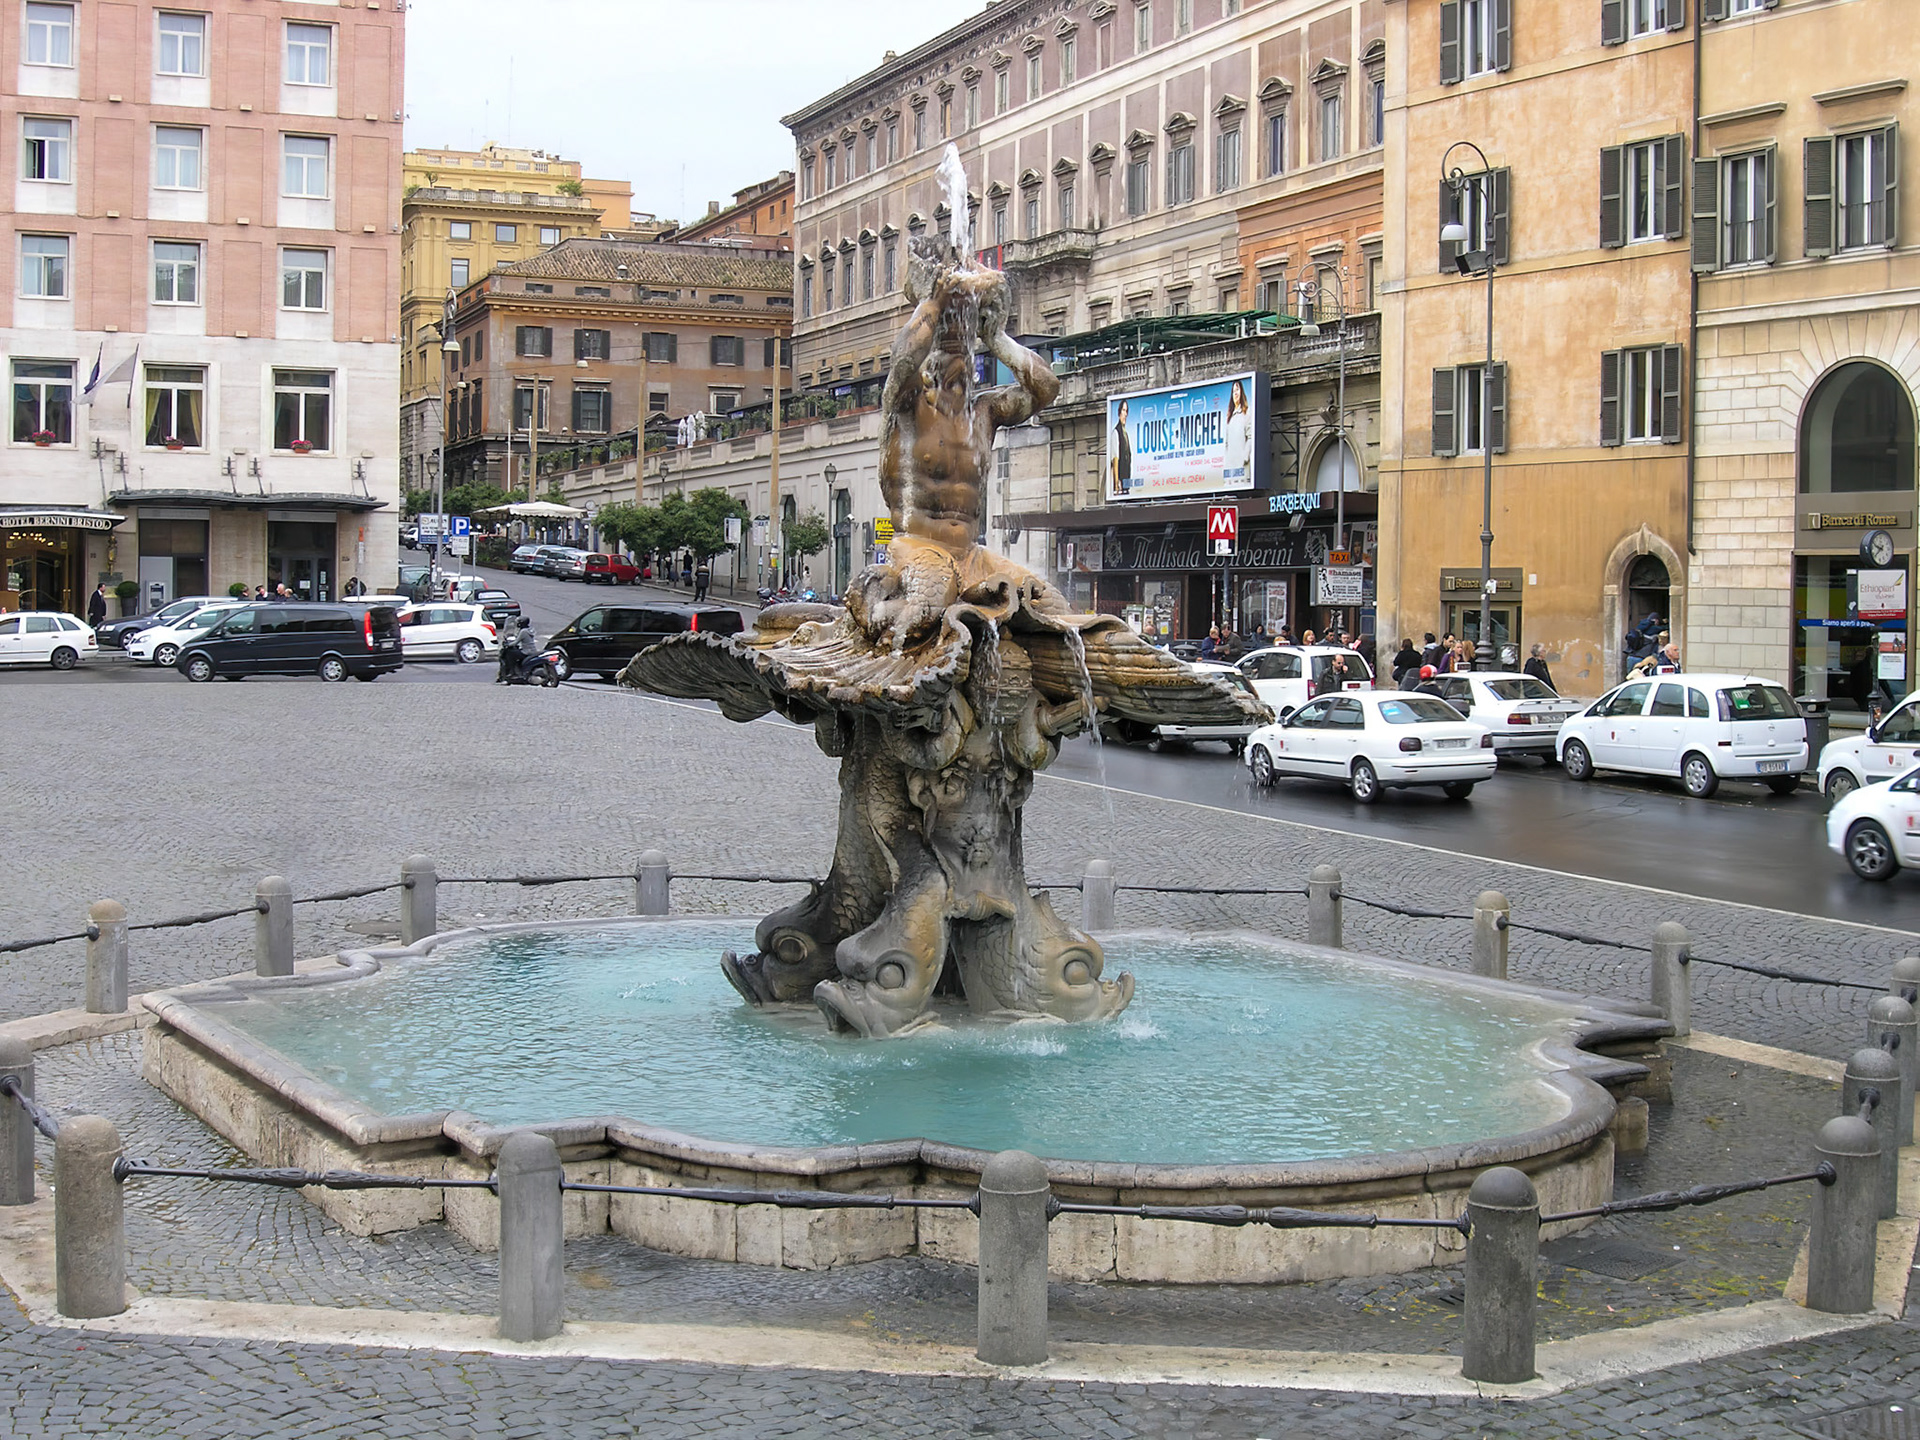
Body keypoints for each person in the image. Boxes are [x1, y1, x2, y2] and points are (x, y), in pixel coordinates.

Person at [1222, 379, 1252, 485]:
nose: (1235, 393)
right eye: (1233, 391)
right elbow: (1226, 444)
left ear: (1241, 392)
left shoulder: (1247, 414)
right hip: (1230, 470)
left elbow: (1250, 437)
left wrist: (1244, 457)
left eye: (1237, 390)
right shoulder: (1229, 418)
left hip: (1242, 470)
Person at [1110, 398, 1133, 495]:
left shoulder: (1125, 433)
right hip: (1120, 482)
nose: (1126, 414)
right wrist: (1116, 483)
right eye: (1124, 410)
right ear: (1119, 412)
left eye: (1126, 411)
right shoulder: (1116, 432)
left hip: (1126, 483)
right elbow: (1115, 459)